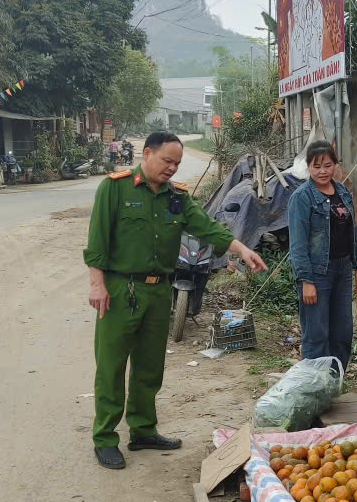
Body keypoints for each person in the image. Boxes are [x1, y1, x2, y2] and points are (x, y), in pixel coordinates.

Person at [83, 131, 267, 469]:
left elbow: (208, 228)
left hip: (159, 291)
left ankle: (142, 431)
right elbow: (98, 240)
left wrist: (242, 249)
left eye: (177, 164)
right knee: (111, 366)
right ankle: (105, 438)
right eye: (167, 161)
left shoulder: (177, 199)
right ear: (147, 153)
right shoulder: (115, 188)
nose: (172, 168)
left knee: (150, 366)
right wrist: (97, 285)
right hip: (122, 289)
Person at [287, 140, 357, 371]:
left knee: (343, 333)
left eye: (328, 165)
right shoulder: (302, 198)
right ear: (308, 167)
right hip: (317, 274)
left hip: (342, 270)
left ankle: (333, 383)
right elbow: (298, 246)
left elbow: (353, 231)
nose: (322, 171)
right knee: (316, 334)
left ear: (335, 166)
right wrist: (306, 281)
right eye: (316, 166)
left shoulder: (342, 191)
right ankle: (313, 389)